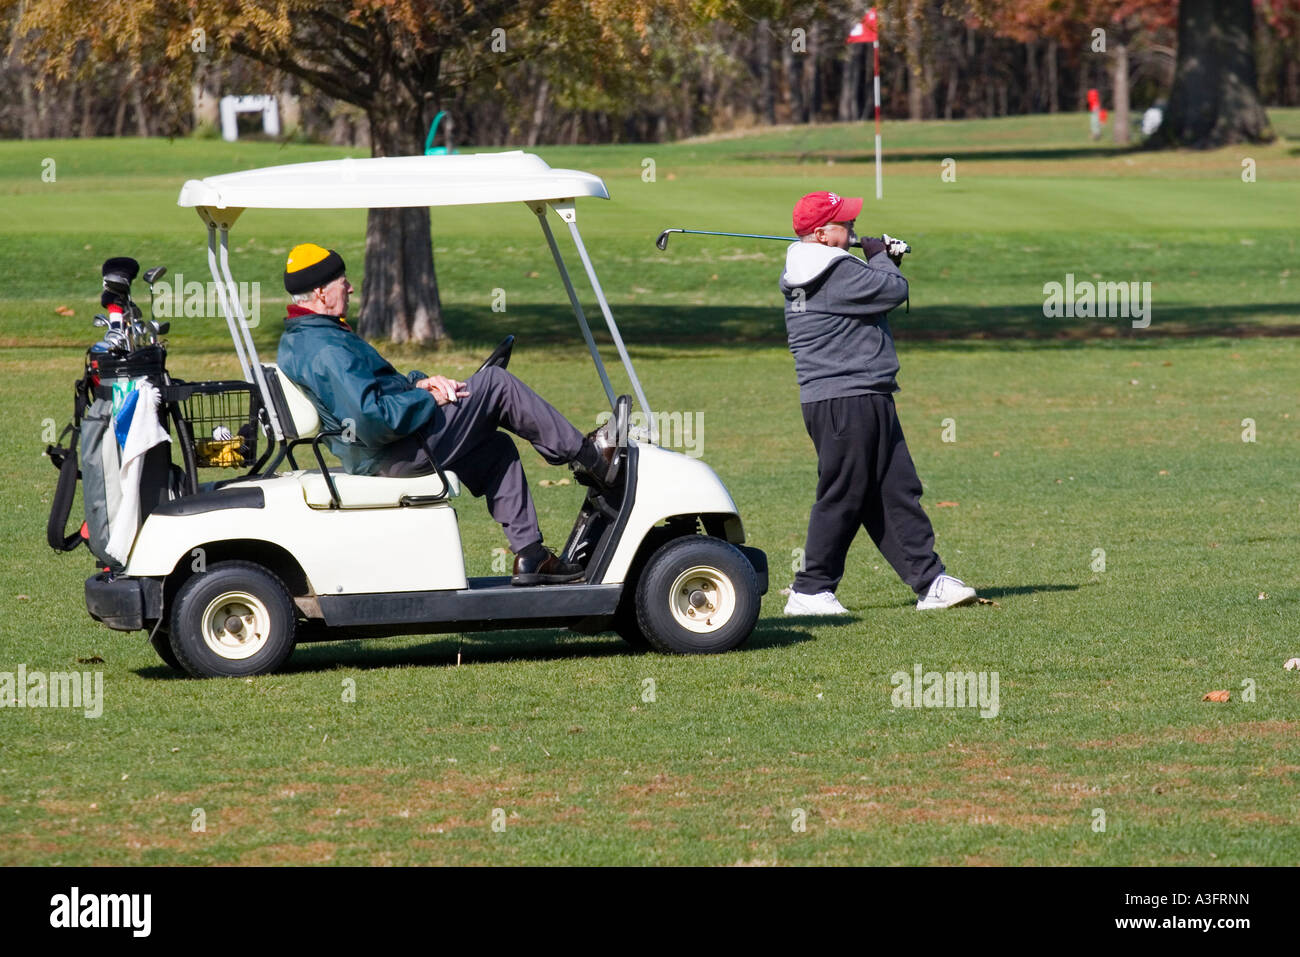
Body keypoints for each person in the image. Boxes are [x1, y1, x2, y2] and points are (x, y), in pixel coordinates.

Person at [275, 242, 628, 586]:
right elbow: (374, 420)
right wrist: (430, 401)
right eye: (343, 283)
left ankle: (530, 553)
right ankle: (590, 456)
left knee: (496, 450)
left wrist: (421, 384)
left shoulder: (304, 337)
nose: (351, 288)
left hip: (379, 451)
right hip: (391, 452)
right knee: (495, 383)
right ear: (321, 293)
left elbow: (374, 390)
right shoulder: (328, 349)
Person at [779, 191, 976, 615]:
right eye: (844, 225)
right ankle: (810, 591)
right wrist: (879, 254)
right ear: (821, 234)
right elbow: (892, 289)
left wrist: (878, 258)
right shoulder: (831, 270)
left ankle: (930, 581)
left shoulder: (824, 266)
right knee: (844, 493)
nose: (852, 230)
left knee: (894, 488)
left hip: (860, 394)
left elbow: (877, 291)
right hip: (845, 398)